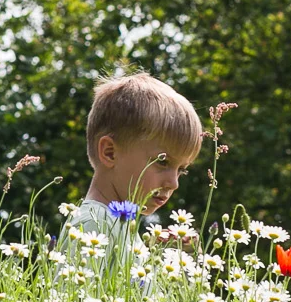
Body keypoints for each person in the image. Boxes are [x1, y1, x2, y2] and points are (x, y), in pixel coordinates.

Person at [59, 73, 204, 255]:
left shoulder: (119, 228)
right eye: (163, 162)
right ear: (110, 153)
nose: (174, 183)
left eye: (181, 170)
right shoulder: (92, 224)